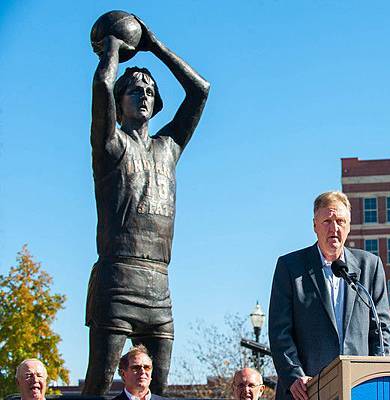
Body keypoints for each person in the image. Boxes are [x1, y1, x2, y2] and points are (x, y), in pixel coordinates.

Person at [83, 14, 210, 396]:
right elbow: (102, 85)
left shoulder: (168, 148)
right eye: (135, 90)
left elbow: (200, 91)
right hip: (117, 282)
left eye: (150, 91)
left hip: (159, 286)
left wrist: (156, 47)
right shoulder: (110, 146)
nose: (144, 95)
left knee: (159, 392)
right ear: (119, 105)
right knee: (98, 388)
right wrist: (112, 51)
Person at [268, 191, 390, 400]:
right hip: (306, 390)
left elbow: (381, 329)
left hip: (358, 389)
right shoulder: (290, 267)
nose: (334, 228)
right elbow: (280, 332)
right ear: (315, 225)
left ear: (349, 226)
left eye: (340, 221)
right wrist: (294, 376)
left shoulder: (370, 266)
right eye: (327, 221)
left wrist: (376, 376)